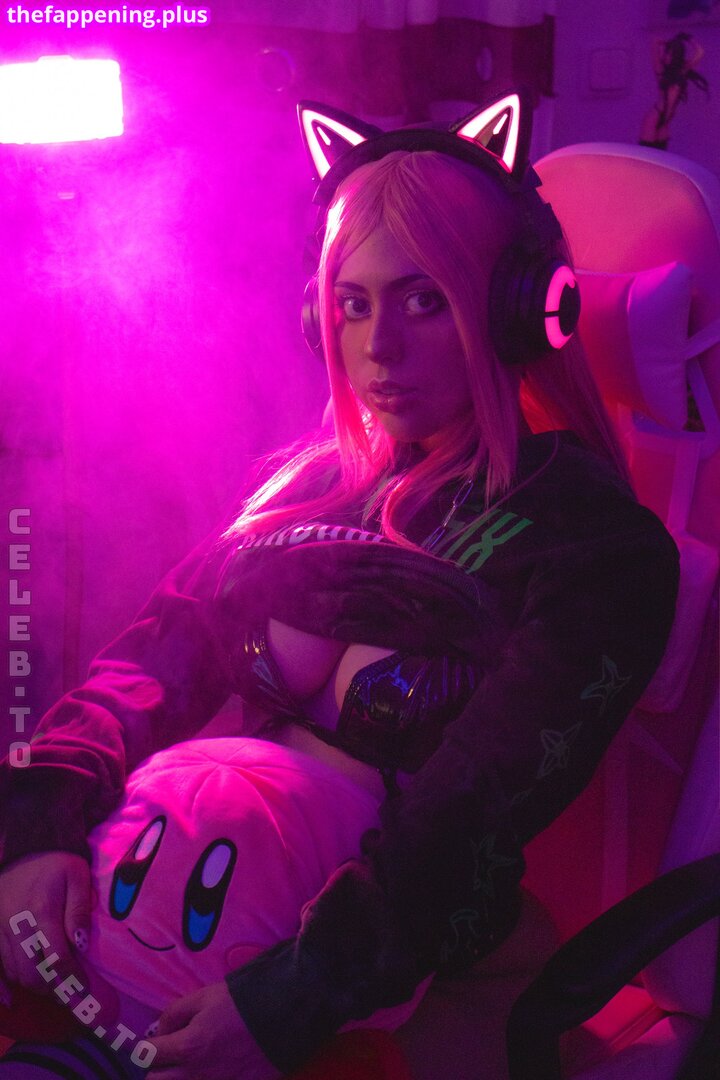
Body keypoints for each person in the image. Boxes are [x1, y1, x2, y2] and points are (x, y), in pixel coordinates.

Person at [0, 93, 679, 1080]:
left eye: (424, 300)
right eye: (352, 303)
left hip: (348, 965)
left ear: (516, 309)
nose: (378, 348)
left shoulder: (592, 545)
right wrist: (36, 830)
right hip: (148, 909)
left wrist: (295, 997)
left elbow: (470, 814)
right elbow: (141, 672)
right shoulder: (307, 487)